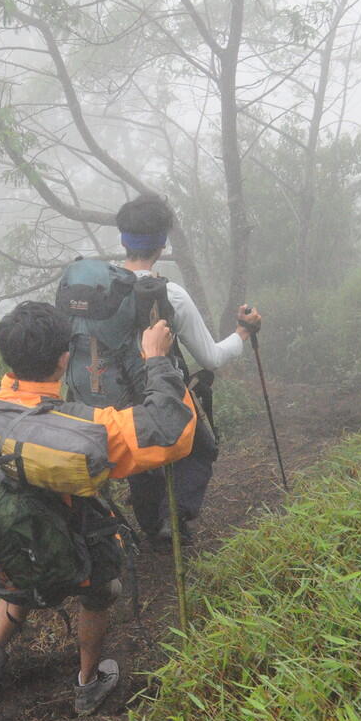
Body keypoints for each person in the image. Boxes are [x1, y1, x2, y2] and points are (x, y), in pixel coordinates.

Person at [0, 300, 196, 715]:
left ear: (9, 359)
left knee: (21, 571)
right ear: (64, 360)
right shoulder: (85, 428)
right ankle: (88, 683)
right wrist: (158, 359)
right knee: (101, 590)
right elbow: (169, 432)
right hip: (63, 541)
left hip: (10, 538)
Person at [113, 193, 262, 547]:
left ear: (123, 239)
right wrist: (243, 332)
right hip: (161, 388)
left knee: (141, 452)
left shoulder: (101, 290)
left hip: (112, 397)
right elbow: (210, 358)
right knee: (200, 449)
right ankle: (173, 521)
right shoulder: (169, 294)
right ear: (162, 244)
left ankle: (151, 525)